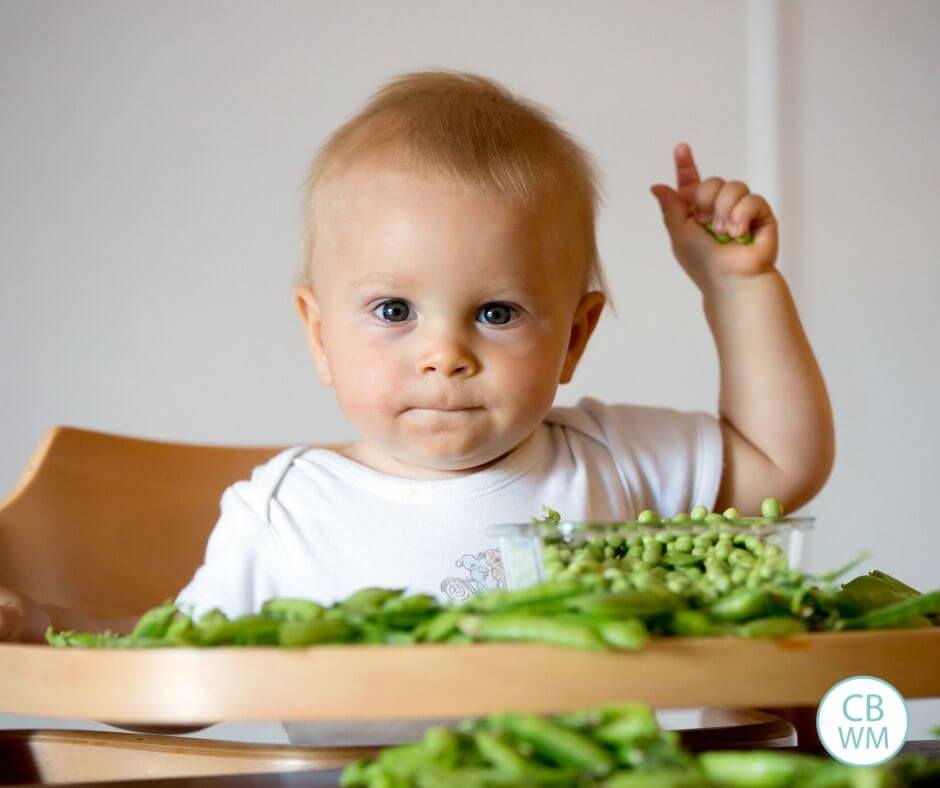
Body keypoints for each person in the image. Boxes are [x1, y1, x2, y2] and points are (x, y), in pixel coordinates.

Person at [1, 69, 833, 681]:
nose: (445, 354)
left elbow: (780, 463)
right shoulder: (287, 513)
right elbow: (170, 665)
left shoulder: (608, 460)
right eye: (395, 311)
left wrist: (739, 286)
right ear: (318, 334)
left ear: (574, 338)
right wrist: (45, 628)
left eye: (497, 313)